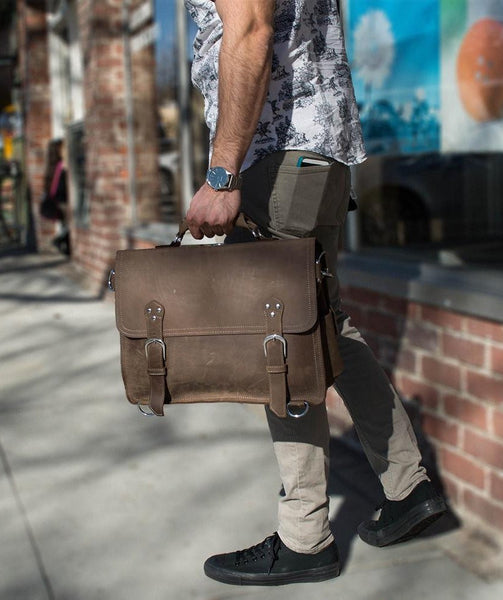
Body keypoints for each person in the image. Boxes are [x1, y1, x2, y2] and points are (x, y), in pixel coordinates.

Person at [184, 0, 447, 586]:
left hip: (276, 159)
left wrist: (222, 176)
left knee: (280, 340)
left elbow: (250, 28)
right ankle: (408, 488)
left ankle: (305, 536)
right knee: (323, 323)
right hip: (312, 150)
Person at [40, 138, 70, 255]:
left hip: (56, 200)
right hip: (62, 199)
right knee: (69, 225)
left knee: (65, 225)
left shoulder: (52, 166)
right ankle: (60, 241)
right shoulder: (62, 165)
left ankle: (63, 244)